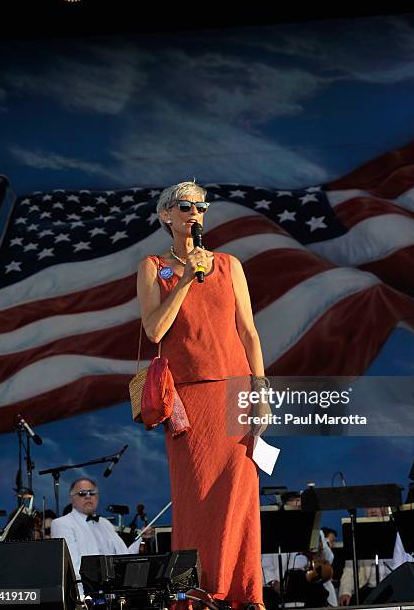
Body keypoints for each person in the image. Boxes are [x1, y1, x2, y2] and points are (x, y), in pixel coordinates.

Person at [136, 181, 267, 607]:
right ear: (165, 216)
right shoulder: (154, 266)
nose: (195, 213)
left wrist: (261, 392)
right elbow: (155, 330)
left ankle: (245, 594)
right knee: (194, 500)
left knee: (239, 496)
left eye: (200, 207)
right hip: (188, 400)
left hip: (236, 392)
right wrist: (188, 278)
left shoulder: (230, 265)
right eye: (184, 206)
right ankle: (190, 595)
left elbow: (248, 333)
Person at [50, 478, 141, 584]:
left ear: (97, 497)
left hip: (114, 589)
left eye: (92, 493)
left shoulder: (105, 523)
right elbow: (73, 567)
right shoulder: (61, 524)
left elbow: (125, 556)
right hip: (85, 592)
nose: (88, 496)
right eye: (82, 493)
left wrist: (141, 537)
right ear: (72, 499)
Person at [338, 508, 393, 606]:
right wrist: (345, 592)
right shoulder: (357, 533)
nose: (372, 511)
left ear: (384, 509)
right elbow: (349, 569)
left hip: (391, 587)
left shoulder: (394, 531)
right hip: (367, 588)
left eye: (375, 506)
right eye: (369, 508)